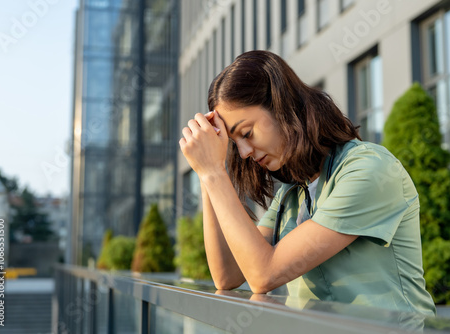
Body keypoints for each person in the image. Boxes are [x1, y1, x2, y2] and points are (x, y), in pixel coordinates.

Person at [179, 50, 436, 316]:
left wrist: (214, 174)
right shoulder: (292, 192)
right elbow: (228, 275)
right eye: (235, 143)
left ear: (281, 107)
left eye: (247, 133)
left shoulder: (368, 170)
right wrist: (207, 171)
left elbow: (262, 274)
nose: (244, 152)